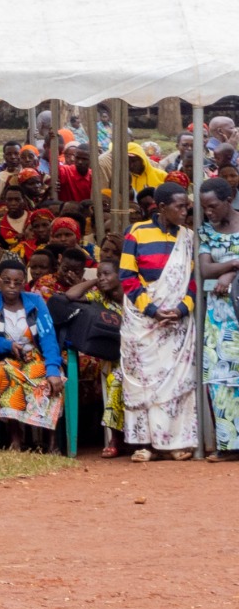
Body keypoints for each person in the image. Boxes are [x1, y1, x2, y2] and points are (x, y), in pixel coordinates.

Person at [118, 189, 200, 460]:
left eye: (186, 207)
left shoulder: (188, 237)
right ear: (162, 207)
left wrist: (181, 308)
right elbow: (128, 277)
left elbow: (193, 279)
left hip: (178, 322)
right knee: (141, 381)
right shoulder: (137, 233)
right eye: (180, 207)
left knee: (179, 380)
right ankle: (145, 444)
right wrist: (152, 310)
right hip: (143, 323)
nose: (185, 212)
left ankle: (177, 442)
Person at [0, 258, 63, 452]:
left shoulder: (35, 302)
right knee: (5, 374)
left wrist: (53, 368)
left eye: (17, 282)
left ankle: (51, 441)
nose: (12, 286)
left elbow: (48, 337)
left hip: (35, 356)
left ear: (23, 283)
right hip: (4, 358)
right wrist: (5, 344)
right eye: (6, 281)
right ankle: (16, 440)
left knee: (47, 379)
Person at [199, 184, 239, 455]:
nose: (208, 211)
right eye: (204, 206)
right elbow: (205, 269)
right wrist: (233, 266)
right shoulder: (206, 231)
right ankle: (229, 445)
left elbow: (215, 267)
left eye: (213, 205)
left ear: (229, 199)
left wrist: (227, 274)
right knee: (220, 377)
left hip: (235, 306)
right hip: (219, 315)